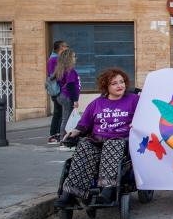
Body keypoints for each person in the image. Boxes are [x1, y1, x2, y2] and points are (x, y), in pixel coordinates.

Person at [54, 68, 139, 208]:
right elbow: (83, 124)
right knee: (85, 146)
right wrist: (74, 132)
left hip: (121, 141)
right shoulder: (96, 103)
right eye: (114, 83)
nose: (120, 86)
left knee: (113, 145)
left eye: (121, 82)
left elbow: (145, 115)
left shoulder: (133, 100)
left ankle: (107, 190)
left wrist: (136, 123)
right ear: (106, 86)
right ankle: (70, 193)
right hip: (98, 140)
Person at [54, 49, 80, 147]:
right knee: (67, 118)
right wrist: (75, 100)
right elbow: (70, 86)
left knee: (66, 118)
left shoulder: (62, 69)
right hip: (67, 96)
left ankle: (64, 139)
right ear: (68, 58)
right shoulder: (70, 70)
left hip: (62, 96)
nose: (75, 58)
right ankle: (63, 140)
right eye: (73, 56)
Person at [46, 40, 68, 145]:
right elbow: (52, 75)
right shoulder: (55, 59)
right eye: (66, 46)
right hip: (58, 90)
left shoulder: (54, 58)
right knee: (60, 113)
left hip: (57, 89)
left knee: (58, 112)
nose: (67, 48)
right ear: (61, 48)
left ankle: (54, 135)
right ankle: (56, 135)